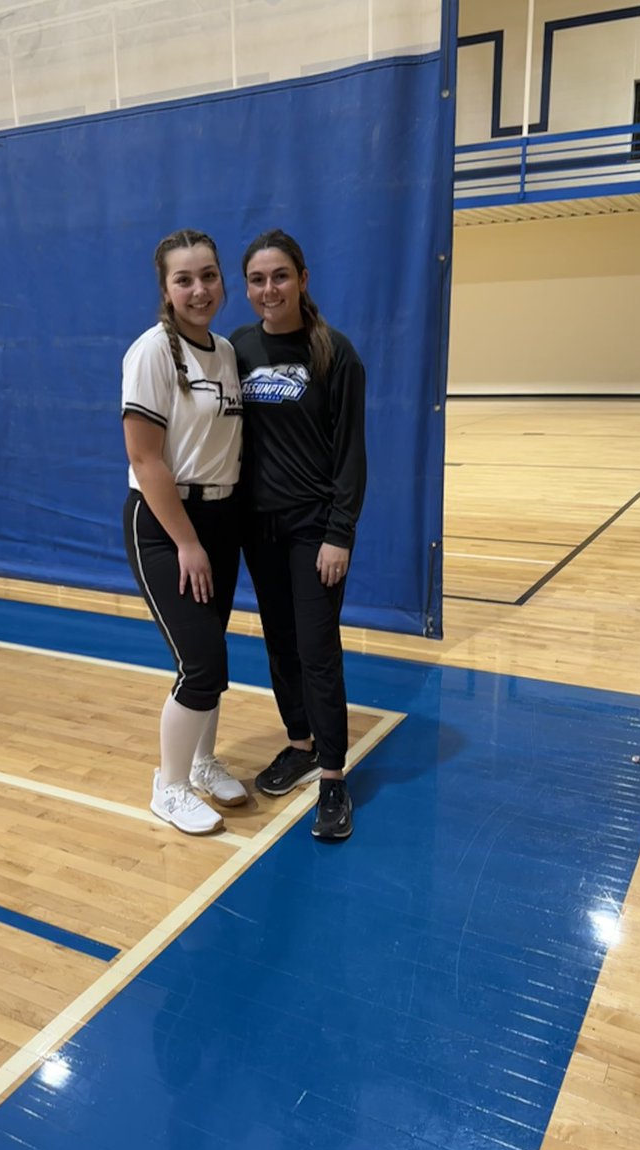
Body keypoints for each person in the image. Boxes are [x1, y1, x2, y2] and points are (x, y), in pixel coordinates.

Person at [230, 230, 367, 841]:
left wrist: (341, 532)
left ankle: (334, 777)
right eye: (257, 280)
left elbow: (351, 455)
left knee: (317, 649)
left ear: (303, 279)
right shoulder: (236, 348)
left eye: (279, 276)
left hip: (316, 529)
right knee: (281, 644)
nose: (268, 289)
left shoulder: (334, 353)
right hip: (259, 529)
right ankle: (301, 743)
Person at [121, 229, 246, 835]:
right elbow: (147, 460)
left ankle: (200, 764)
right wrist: (188, 542)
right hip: (167, 524)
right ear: (166, 290)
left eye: (209, 276)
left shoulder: (225, 350)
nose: (200, 290)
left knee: (214, 654)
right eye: (184, 279)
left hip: (220, 520)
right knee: (199, 663)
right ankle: (168, 786)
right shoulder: (152, 352)